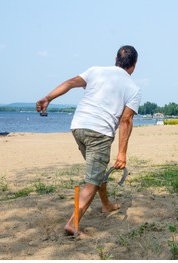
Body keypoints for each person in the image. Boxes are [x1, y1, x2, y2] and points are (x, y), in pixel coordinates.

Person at [36, 45, 141, 238]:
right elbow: (126, 120)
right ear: (133, 65)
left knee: (97, 171)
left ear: (116, 60)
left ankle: (106, 205)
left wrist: (48, 98)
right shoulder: (133, 87)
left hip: (78, 127)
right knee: (92, 181)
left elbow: (70, 83)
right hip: (99, 133)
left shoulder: (96, 71)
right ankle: (72, 224)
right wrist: (122, 153)